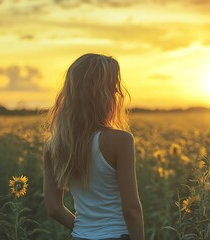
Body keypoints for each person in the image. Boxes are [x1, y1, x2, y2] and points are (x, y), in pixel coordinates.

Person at [42, 53, 144, 240]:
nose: (116, 94)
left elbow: (54, 208)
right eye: (113, 89)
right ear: (102, 94)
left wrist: (87, 230)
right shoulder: (121, 140)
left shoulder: (54, 146)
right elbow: (131, 209)